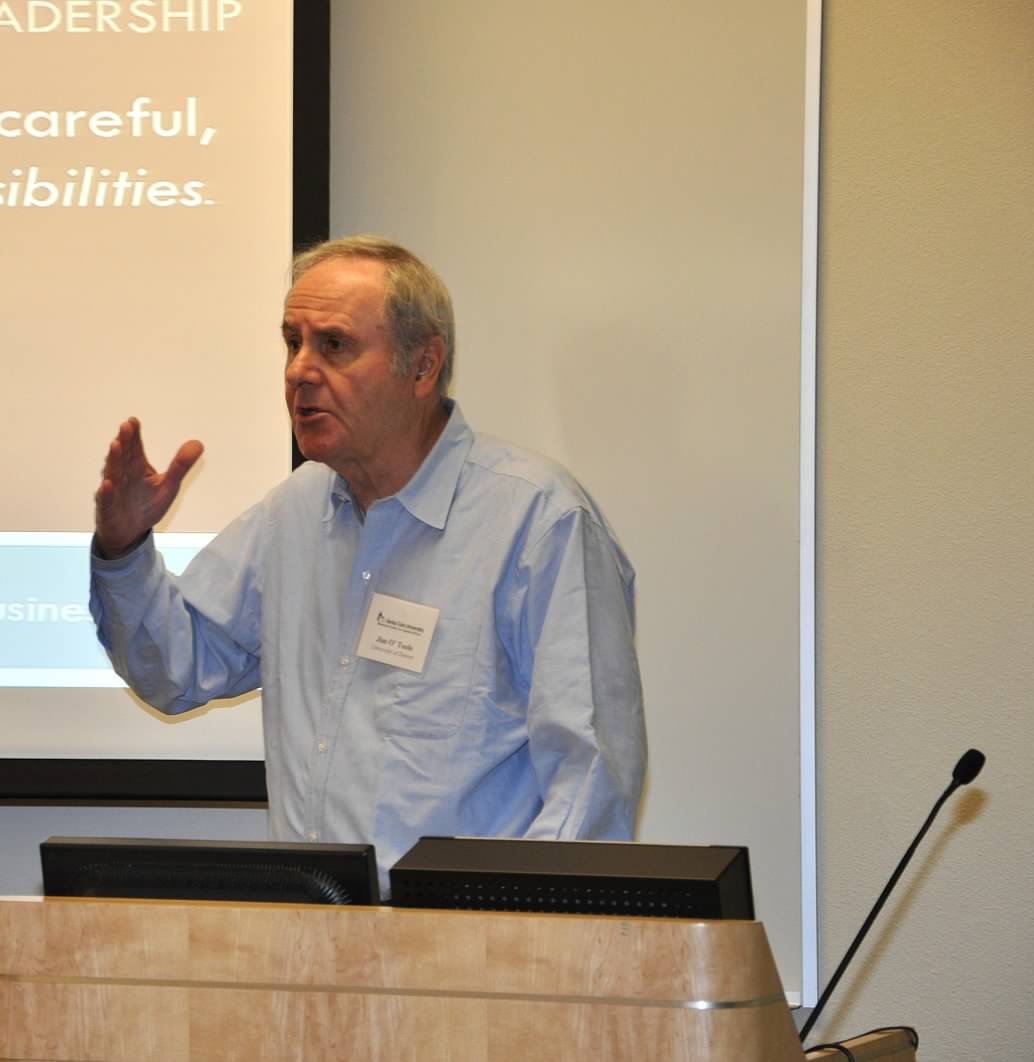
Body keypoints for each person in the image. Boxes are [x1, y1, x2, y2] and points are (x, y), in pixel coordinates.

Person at [90, 235, 645, 884]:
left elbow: (590, 779)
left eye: (333, 345)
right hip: (313, 929)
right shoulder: (293, 513)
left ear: (423, 367)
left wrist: (505, 927)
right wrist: (123, 550)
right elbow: (175, 668)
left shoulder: (538, 521)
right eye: (292, 342)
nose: (299, 371)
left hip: (465, 937)